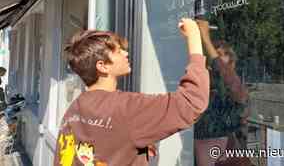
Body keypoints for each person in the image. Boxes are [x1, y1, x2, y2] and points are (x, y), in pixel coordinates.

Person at [54, 18, 210, 166]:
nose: (126, 53)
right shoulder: (127, 108)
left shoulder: (74, 109)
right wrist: (195, 38)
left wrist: (132, 148)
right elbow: (191, 102)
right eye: (118, 51)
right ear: (102, 66)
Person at [194, 20, 250, 166]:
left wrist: (205, 39)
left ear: (231, 62)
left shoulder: (237, 90)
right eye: (211, 57)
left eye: (218, 56)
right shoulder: (207, 93)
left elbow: (225, 74)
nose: (212, 63)